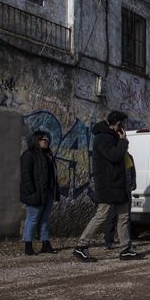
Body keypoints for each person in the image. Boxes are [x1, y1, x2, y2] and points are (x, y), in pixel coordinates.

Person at [74, 111, 142, 262]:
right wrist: (123, 142)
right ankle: (81, 246)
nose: (124, 127)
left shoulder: (112, 137)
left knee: (123, 217)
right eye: (122, 124)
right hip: (108, 184)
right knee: (101, 215)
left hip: (118, 185)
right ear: (117, 123)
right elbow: (114, 156)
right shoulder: (103, 138)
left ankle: (126, 249)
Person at [19, 130, 60, 255]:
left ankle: (46, 244)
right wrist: (32, 192)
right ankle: (28, 246)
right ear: (37, 140)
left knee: (45, 219)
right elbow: (26, 175)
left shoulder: (47, 154)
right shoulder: (29, 155)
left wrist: (54, 191)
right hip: (36, 194)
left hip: (47, 192)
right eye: (44, 139)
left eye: (47, 139)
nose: (46, 141)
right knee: (32, 218)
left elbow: (52, 175)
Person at [104, 151, 136, 250]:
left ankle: (127, 241)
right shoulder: (115, 156)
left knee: (126, 217)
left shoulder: (129, 156)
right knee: (112, 216)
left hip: (126, 191)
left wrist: (132, 185)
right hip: (117, 190)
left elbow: (132, 172)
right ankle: (108, 241)